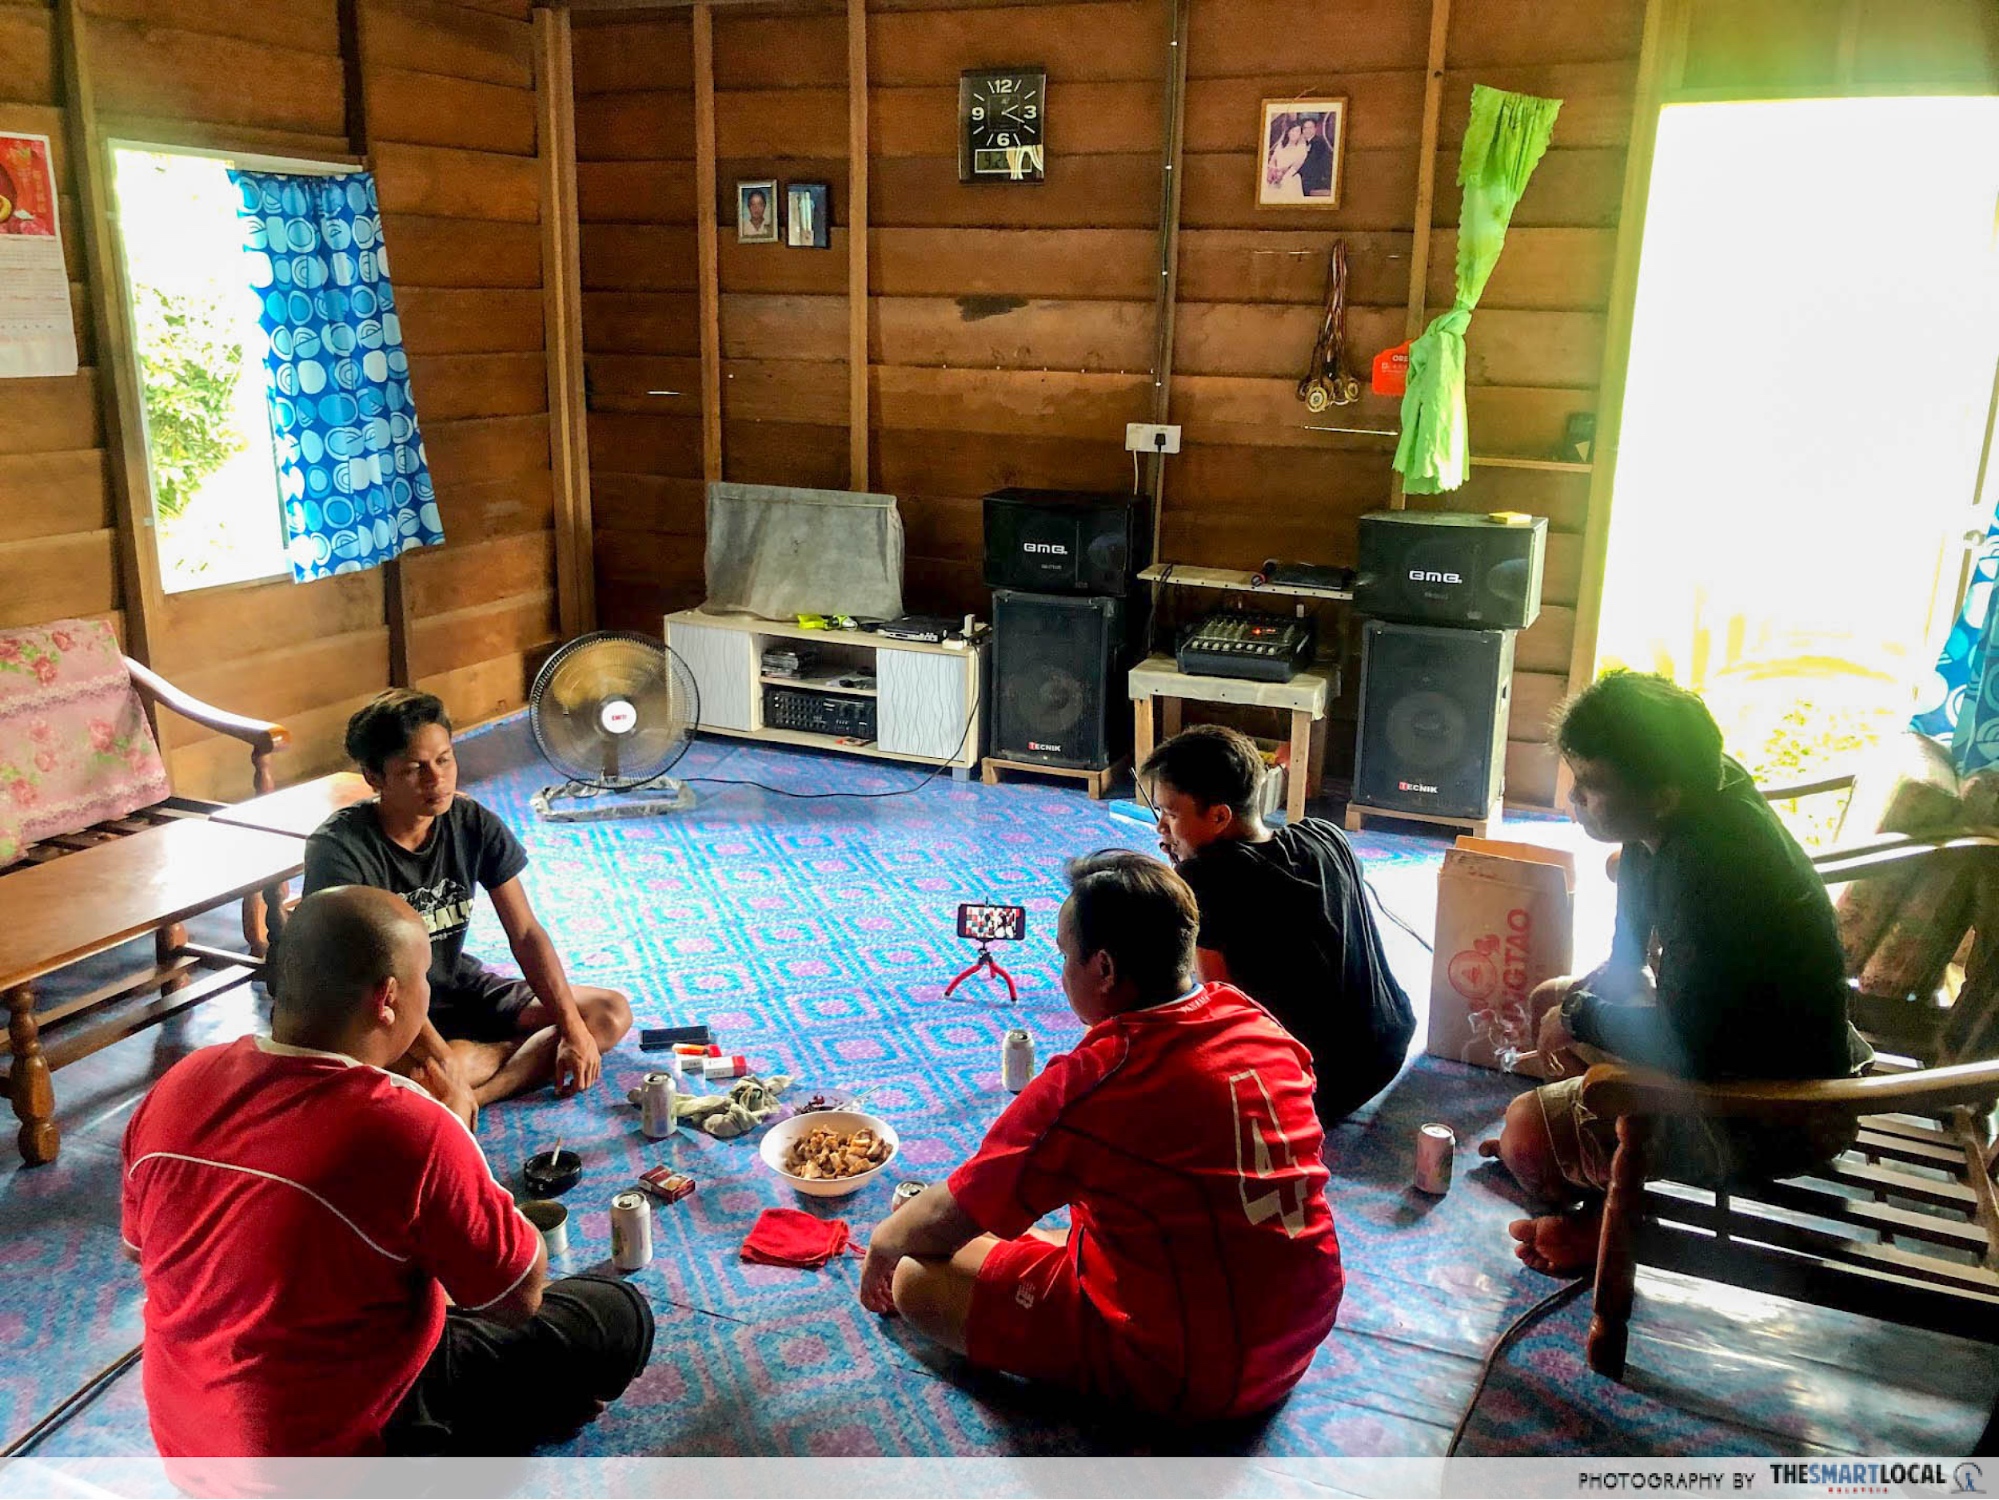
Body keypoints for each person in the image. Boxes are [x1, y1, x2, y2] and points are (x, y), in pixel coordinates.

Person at [121, 887, 654, 1459]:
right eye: (425, 978)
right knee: (616, 1315)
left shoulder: (179, 1083)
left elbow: (140, 1251)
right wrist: (460, 1150)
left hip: (187, 1442)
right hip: (338, 1450)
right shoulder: (406, 1125)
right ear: (388, 999)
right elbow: (515, 1296)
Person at [860, 850, 1344, 1421]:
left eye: (1066, 956)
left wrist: (884, 1243)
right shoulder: (1249, 1018)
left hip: (1195, 1372)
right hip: (1299, 1328)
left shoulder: (1097, 1081)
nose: (1061, 972)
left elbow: (956, 1211)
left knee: (917, 1275)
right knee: (1078, 1213)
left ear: (1105, 970)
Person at [1479, 672, 1872, 1275]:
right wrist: (1606, 978)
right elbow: (1637, 861)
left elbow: (1689, 1049)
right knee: (1548, 1002)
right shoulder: (1692, 791)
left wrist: (1582, 1015)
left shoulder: (1714, 876)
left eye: (1590, 785)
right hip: (1731, 1039)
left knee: (1527, 1132)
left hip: (1781, 1105)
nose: (1574, 798)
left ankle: (1612, 1220)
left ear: (1661, 796)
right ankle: (1578, 1150)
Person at [303, 689, 631, 1111]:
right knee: (407, 1082)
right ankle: (484, 1062)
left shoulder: (469, 821)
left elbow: (527, 933)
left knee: (607, 1013)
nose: (436, 779)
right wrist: (442, 1059)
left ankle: (479, 1089)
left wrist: (571, 1028)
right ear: (375, 777)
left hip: (458, 983)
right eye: (414, 769)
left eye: (444, 759)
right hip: (387, 1007)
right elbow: (374, 979)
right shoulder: (341, 851)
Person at [1141, 725, 1416, 1124]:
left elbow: (1219, 1008)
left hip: (1317, 1086)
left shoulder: (1208, 879)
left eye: (1171, 813)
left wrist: (1186, 883)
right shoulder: (1325, 834)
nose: (1160, 827)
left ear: (1219, 816)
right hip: (1390, 1043)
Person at [1263, 119, 1308, 201]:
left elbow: (1295, 167)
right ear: (1288, 132)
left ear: (1300, 134)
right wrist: (1273, 171)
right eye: (1293, 130)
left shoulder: (1301, 150)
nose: (1294, 133)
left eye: (1297, 131)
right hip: (1275, 175)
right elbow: (1273, 160)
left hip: (1290, 177)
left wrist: (1282, 177)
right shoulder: (1281, 145)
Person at [1298, 115, 1335, 199]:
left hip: (1317, 178)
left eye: (1310, 128)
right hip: (1308, 176)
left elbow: (1310, 162)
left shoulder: (1319, 142)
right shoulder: (1303, 143)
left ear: (1315, 129)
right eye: (1305, 128)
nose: (1308, 131)